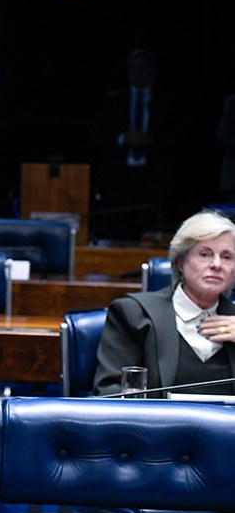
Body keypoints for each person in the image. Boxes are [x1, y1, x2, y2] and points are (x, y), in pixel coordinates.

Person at [93, 210, 235, 397]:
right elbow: (109, 393)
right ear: (180, 262)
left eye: (227, 257)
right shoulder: (134, 314)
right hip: (155, 425)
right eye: (205, 254)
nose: (216, 264)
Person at [93, 49, 179, 241]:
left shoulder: (166, 102)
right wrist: (123, 139)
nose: (138, 73)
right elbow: (99, 135)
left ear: (152, 71)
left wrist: (150, 139)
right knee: (117, 229)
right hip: (119, 178)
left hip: (152, 179)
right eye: (133, 68)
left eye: (143, 68)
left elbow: (178, 137)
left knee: (149, 230)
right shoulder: (113, 101)